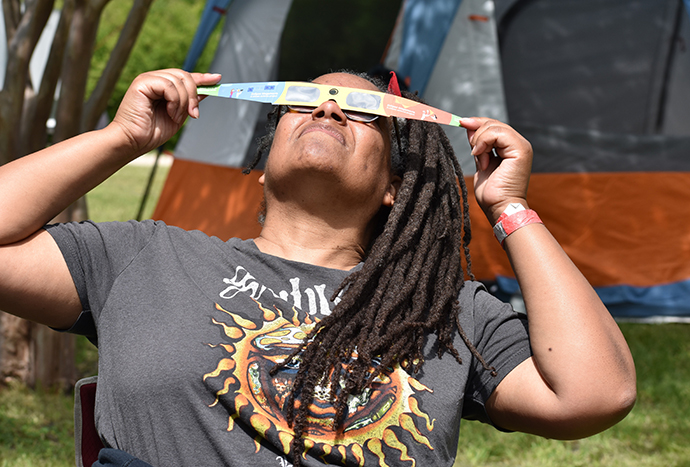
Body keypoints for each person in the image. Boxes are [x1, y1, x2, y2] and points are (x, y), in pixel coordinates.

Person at [0, 69, 636, 467]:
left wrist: (511, 208)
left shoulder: (450, 311)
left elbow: (596, 394)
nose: (328, 110)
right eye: (306, 100)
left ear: (394, 184)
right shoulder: (145, 257)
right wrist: (124, 139)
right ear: (268, 147)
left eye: (362, 113)